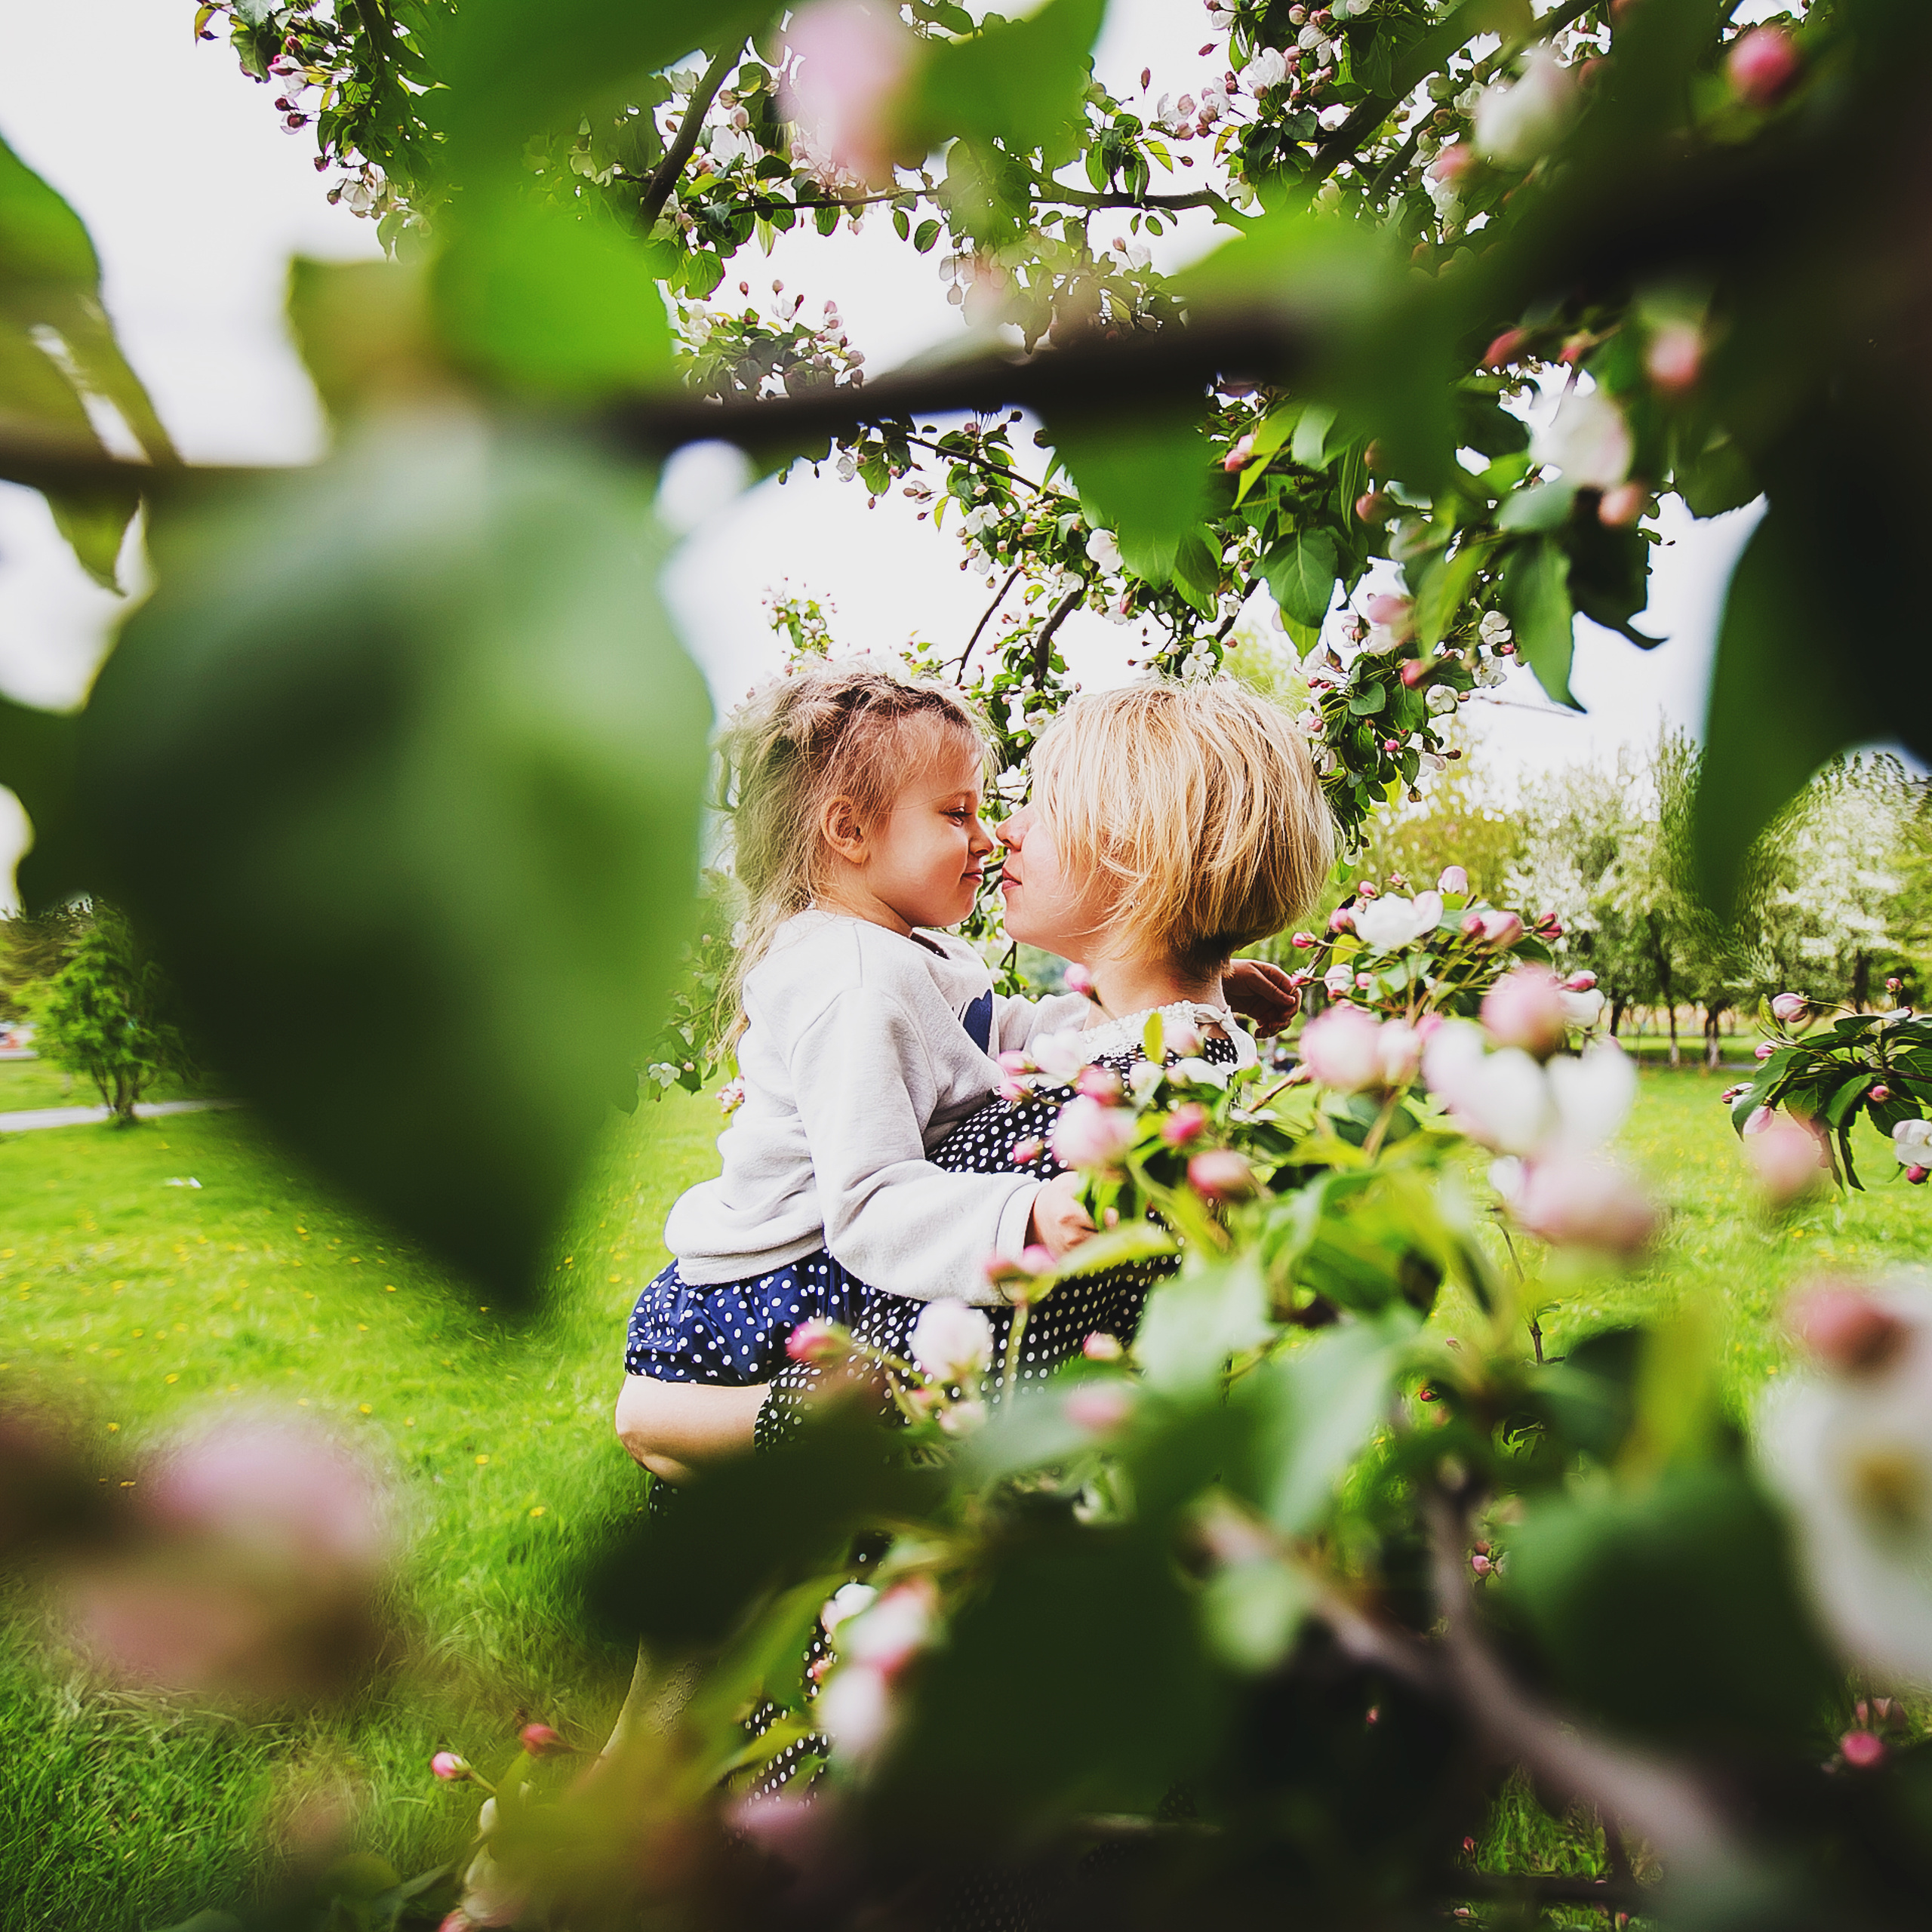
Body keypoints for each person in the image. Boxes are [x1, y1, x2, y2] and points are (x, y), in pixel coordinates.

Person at [615, 673, 1331, 1481]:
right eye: (962, 814)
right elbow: (883, 1194)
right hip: (761, 1280)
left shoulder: (1090, 1107)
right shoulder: (862, 977)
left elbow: (904, 1393)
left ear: (1138, 850)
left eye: (1042, 804)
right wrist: (1199, 1005)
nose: (1002, 834)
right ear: (847, 832)